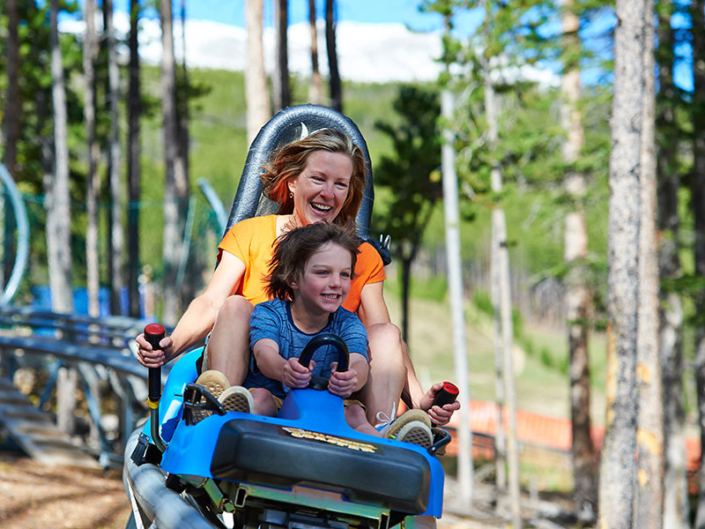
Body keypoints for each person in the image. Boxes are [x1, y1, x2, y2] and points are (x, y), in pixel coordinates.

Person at [136, 128, 459, 434]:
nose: (328, 194)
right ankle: (220, 414)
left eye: (340, 185)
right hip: (254, 380)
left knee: (386, 331)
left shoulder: (362, 256)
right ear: (292, 183)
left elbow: (385, 340)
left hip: (328, 387)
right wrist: (170, 346)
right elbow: (211, 302)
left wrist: (417, 399)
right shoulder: (251, 234)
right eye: (318, 179)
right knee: (235, 305)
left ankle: (382, 436)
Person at [198, 223, 433, 446]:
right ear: (293, 279)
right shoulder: (269, 313)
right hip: (277, 402)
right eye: (323, 273)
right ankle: (224, 421)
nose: (336, 283)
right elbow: (264, 352)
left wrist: (352, 377)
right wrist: (283, 369)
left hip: (327, 409)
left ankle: (386, 447)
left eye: (344, 274)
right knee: (259, 398)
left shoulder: (348, 323)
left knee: (354, 412)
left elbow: (359, 359)